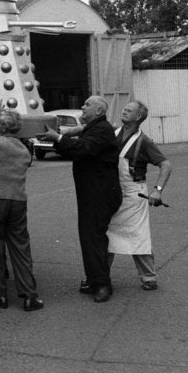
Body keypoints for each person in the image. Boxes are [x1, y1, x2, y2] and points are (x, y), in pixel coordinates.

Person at [36, 96, 122, 303]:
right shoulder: (95, 128)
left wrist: (58, 137)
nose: (82, 107)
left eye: (87, 105)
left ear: (99, 111)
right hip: (92, 193)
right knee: (89, 237)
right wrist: (58, 139)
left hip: (100, 194)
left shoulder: (101, 130)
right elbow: (75, 149)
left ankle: (102, 284)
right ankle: (94, 279)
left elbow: (82, 148)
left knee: (94, 238)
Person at [0, 98, 44, 311]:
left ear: (1, 127)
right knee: (21, 246)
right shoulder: (24, 151)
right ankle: (29, 295)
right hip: (17, 200)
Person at [108, 100, 173, 290]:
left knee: (139, 236)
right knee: (104, 234)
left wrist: (157, 190)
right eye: (124, 108)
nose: (124, 110)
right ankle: (100, 276)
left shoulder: (144, 141)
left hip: (133, 193)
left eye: (129, 110)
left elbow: (166, 165)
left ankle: (148, 277)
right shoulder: (113, 134)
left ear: (138, 117)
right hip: (111, 192)